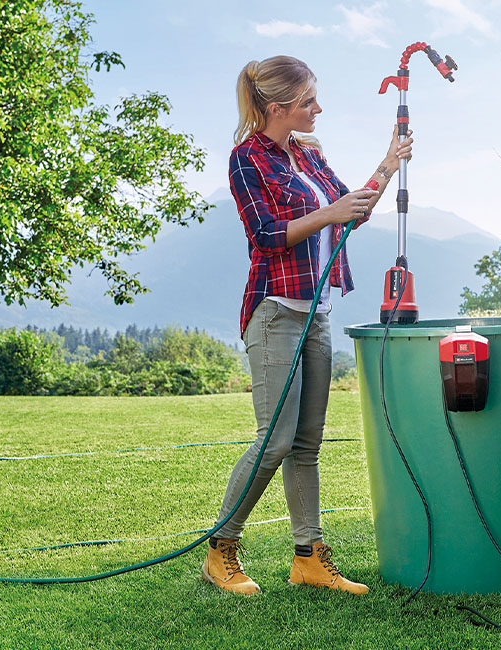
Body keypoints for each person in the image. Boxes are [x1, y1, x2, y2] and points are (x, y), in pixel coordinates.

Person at [202, 55, 413, 596]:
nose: (318, 108)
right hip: (275, 313)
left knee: (307, 446)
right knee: (273, 442)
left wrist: (388, 164)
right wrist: (329, 213)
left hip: (316, 313)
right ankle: (221, 550)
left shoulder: (307, 156)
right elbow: (267, 237)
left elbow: (354, 209)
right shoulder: (246, 159)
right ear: (277, 108)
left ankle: (309, 559)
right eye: (308, 101)